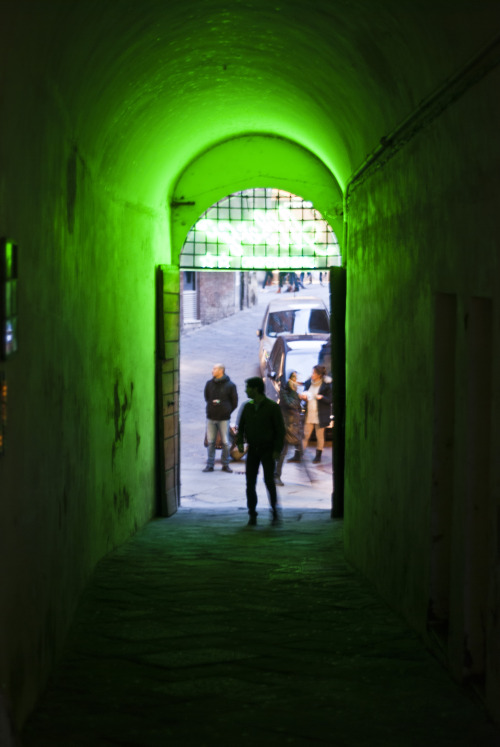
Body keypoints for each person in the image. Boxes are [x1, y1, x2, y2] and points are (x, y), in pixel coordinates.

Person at [236, 377, 285, 525]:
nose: (245, 390)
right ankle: (252, 513)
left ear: (255, 389)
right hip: (253, 451)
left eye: (248, 388)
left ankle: (275, 511)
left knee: (269, 482)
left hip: (268, 450)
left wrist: (277, 449)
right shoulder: (247, 407)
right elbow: (241, 427)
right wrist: (239, 442)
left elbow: (280, 431)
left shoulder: (272, 407)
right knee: (250, 483)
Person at [203, 364, 238, 473]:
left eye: (215, 369)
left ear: (221, 371)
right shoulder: (209, 384)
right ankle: (210, 465)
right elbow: (207, 397)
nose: (212, 370)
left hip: (224, 418)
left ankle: (225, 464)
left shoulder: (230, 385)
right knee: (211, 442)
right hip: (211, 417)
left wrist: (226, 410)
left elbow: (234, 402)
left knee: (226, 442)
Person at [274, 371, 303, 486]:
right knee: (282, 452)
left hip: (292, 426)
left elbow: (297, 408)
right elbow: (291, 404)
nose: (295, 381)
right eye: (294, 378)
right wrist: (295, 393)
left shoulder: (293, 393)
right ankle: (276, 475)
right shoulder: (286, 392)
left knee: (284, 451)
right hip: (284, 426)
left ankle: (275, 474)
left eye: (296, 378)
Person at [301, 364, 332, 463]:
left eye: (314, 373)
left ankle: (318, 456)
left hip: (320, 415)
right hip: (309, 414)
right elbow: (305, 393)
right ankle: (299, 454)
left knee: (320, 436)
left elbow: (330, 400)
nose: (312, 374)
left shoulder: (326, 385)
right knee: (305, 435)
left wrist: (321, 397)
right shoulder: (308, 383)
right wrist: (304, 397)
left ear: (319, 375)